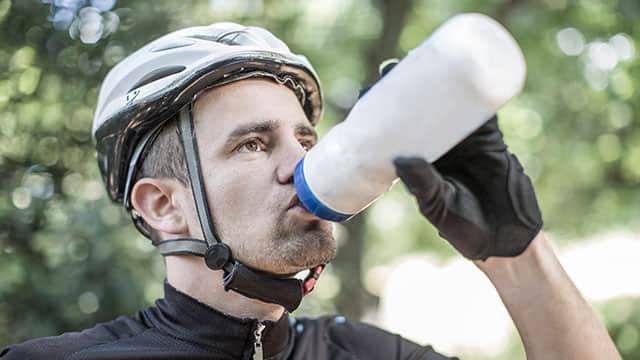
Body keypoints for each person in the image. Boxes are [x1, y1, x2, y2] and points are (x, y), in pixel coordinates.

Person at [0, 22, 620, 360]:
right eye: (252, 143)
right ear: (163, 205)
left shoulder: (371, 356)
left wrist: (519, 259)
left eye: (305, 139)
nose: (299, 163)